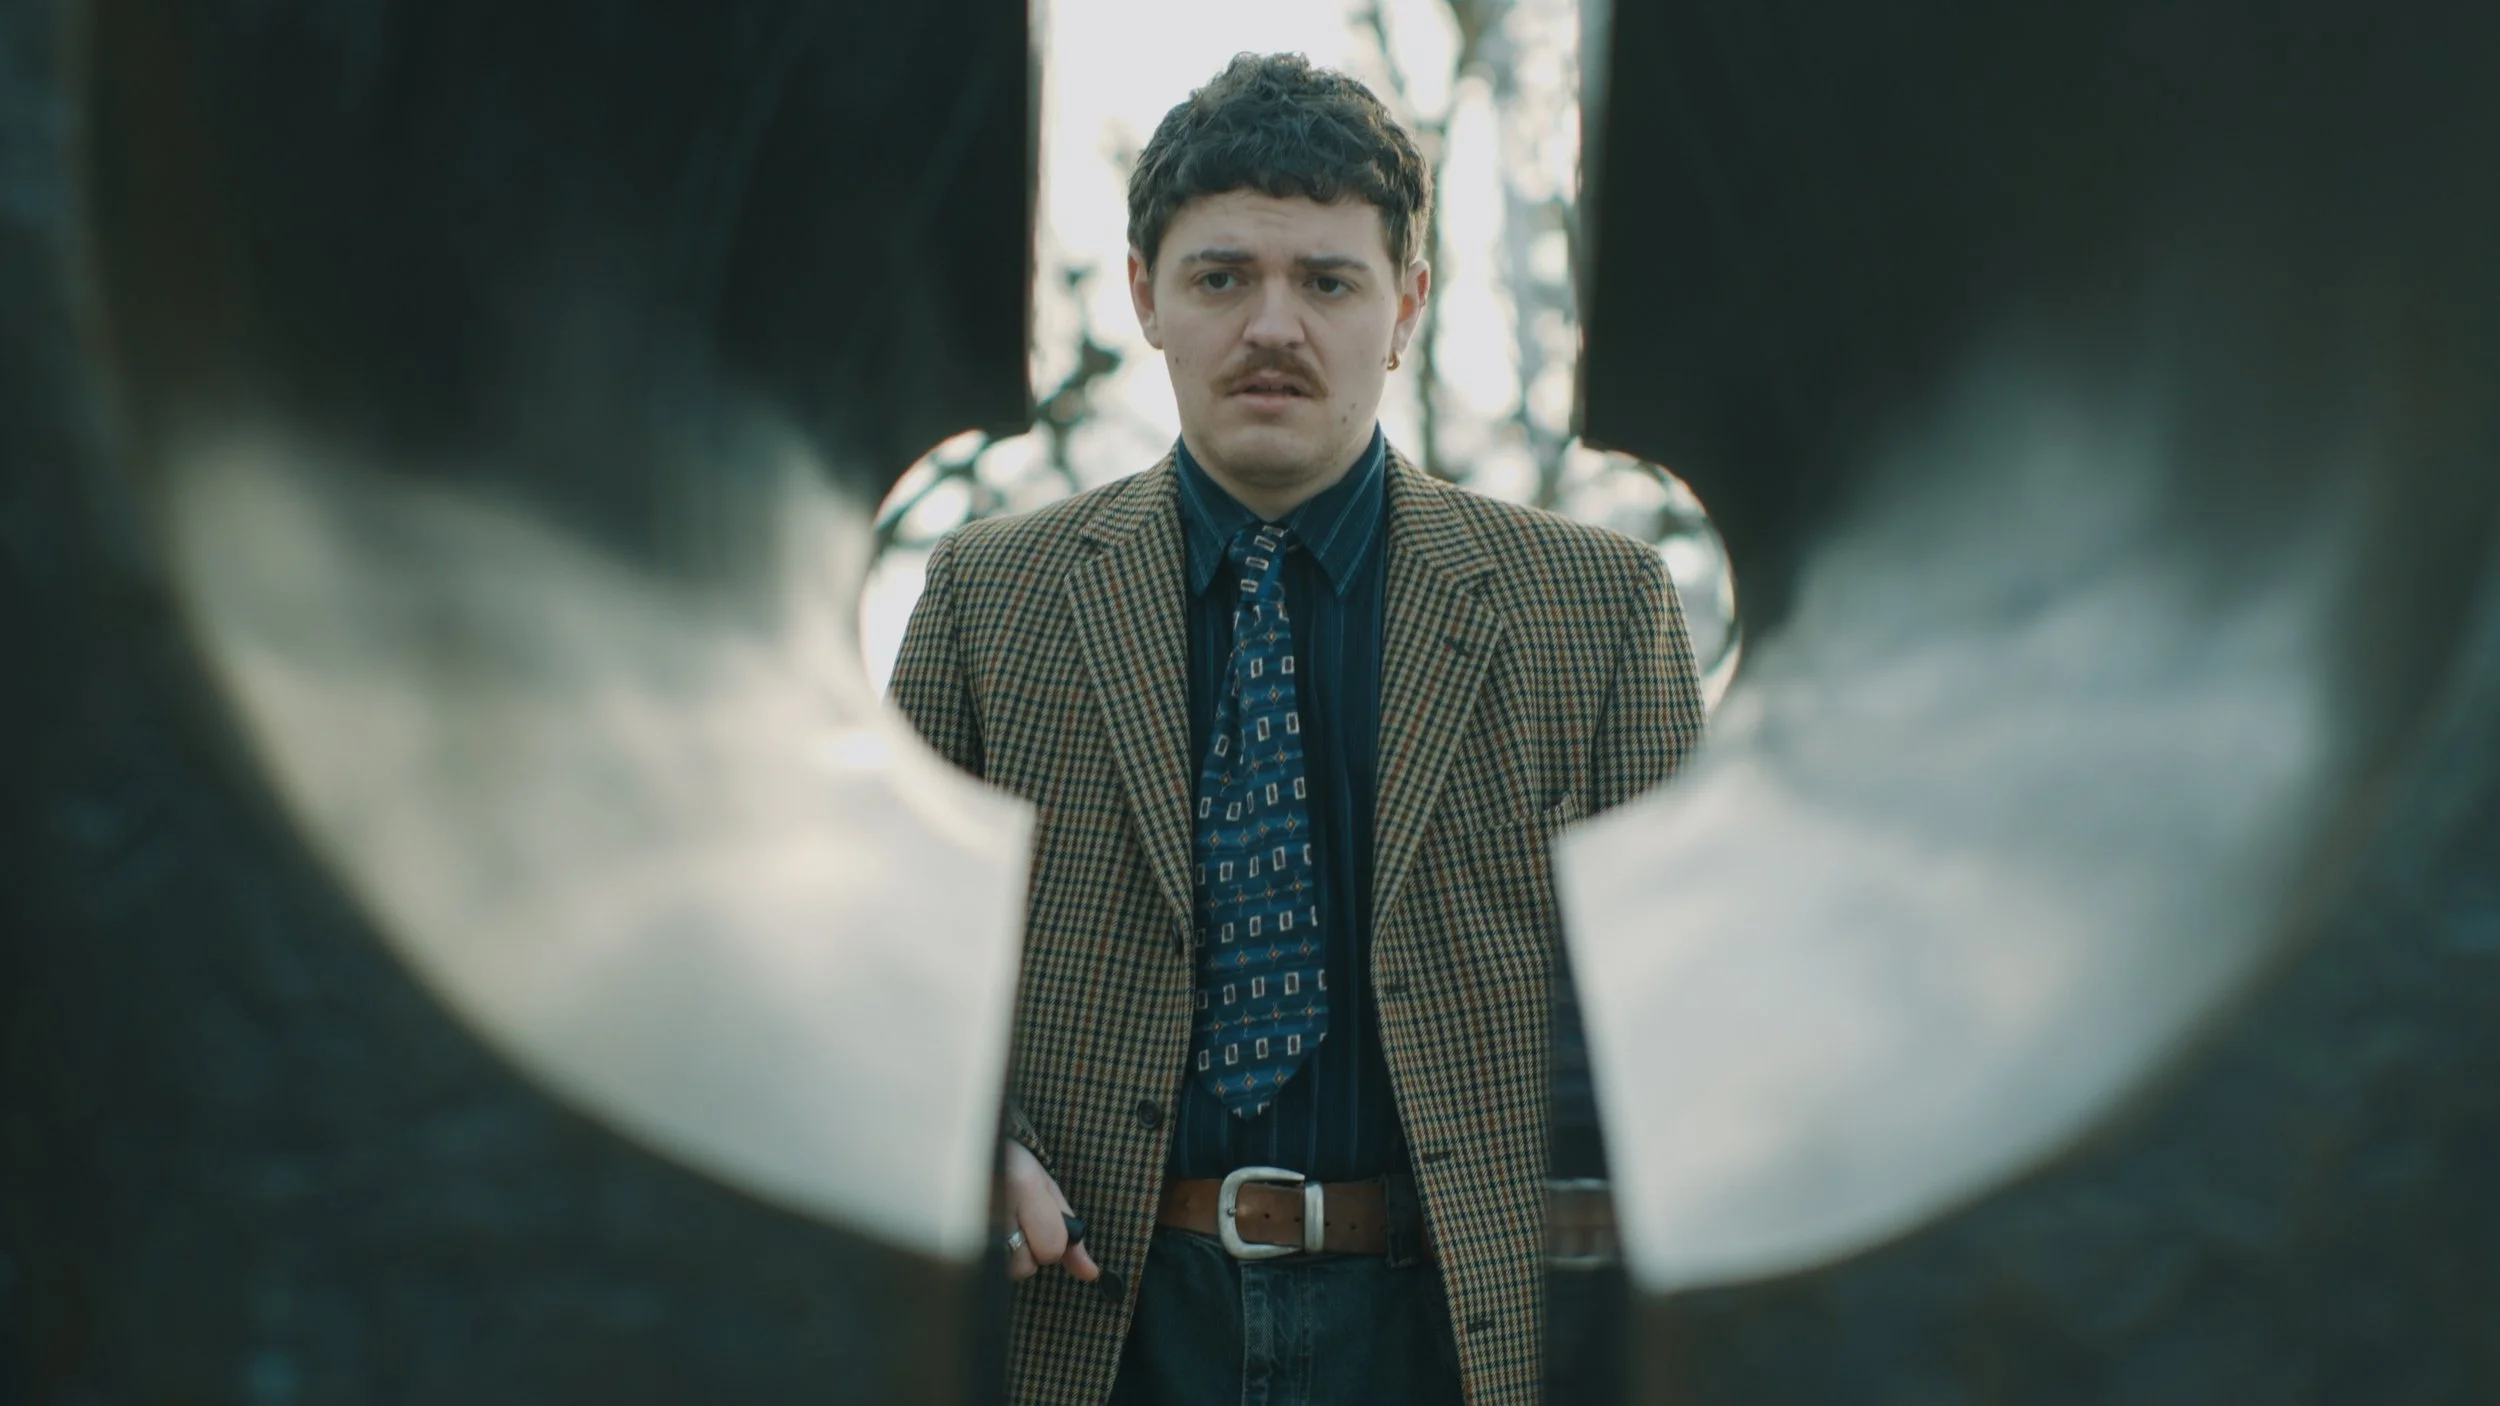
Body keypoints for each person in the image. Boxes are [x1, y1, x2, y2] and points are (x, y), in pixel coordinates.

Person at [889, 52, 1705, 1405]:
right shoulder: (993, 597)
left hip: (1454, 1336)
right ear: (1146, 294)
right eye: (1222, 278)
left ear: (1407, 307)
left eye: (1328, 281)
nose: (1274, 325)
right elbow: (882, 947)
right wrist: (966, 1137)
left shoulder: (1597, 608)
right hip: (1099, 1323)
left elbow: (1682, 1016)